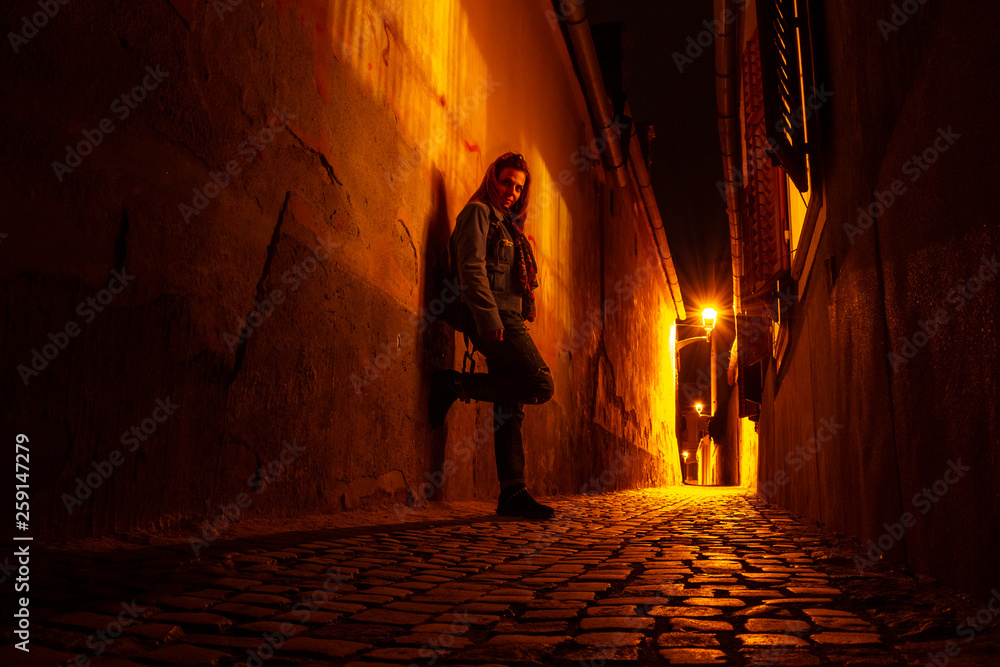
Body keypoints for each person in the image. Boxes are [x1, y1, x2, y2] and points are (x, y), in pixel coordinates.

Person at [429, 152, 555, 520]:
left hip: (509, 314)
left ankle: (512, 492)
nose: (511, 191)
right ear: (492, 179)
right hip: (491, 314)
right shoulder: (478, 213)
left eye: (518, 187)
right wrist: (486, 317)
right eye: (506, 182)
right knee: (540, 384)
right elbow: (470, 268)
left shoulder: (510, 228)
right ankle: (455, 385)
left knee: (511, 403)